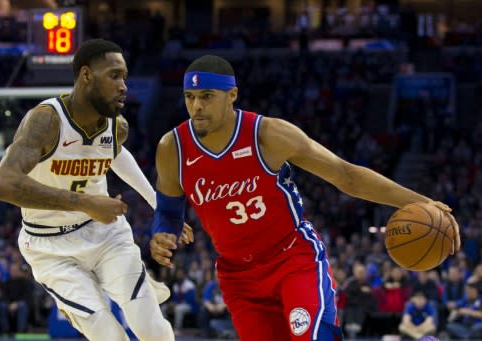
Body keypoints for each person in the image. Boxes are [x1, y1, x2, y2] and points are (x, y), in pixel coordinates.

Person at [149, 54, 461, 341]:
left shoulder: (268, 134)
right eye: (189, 97)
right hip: (238, 277)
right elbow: (169, 212)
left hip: (292, 260)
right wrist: (163, 232)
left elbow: (346, 175)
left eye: (206, 96)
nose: (196, 107)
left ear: (232, 95)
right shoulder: (172, 148)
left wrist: (416, 201)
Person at [0, 39, 192, 341]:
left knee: (151, 329)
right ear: (86, 76)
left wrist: (158, 205)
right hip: (50, 248)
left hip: (106, 235)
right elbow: (2, 184)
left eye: (124, 76)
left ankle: (138, 287)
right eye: (114, 75)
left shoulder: (116, 125)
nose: (124, 86)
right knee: (108, 334)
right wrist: (85, 202)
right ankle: (134, 285)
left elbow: (116, 154)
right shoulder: (46, 121)